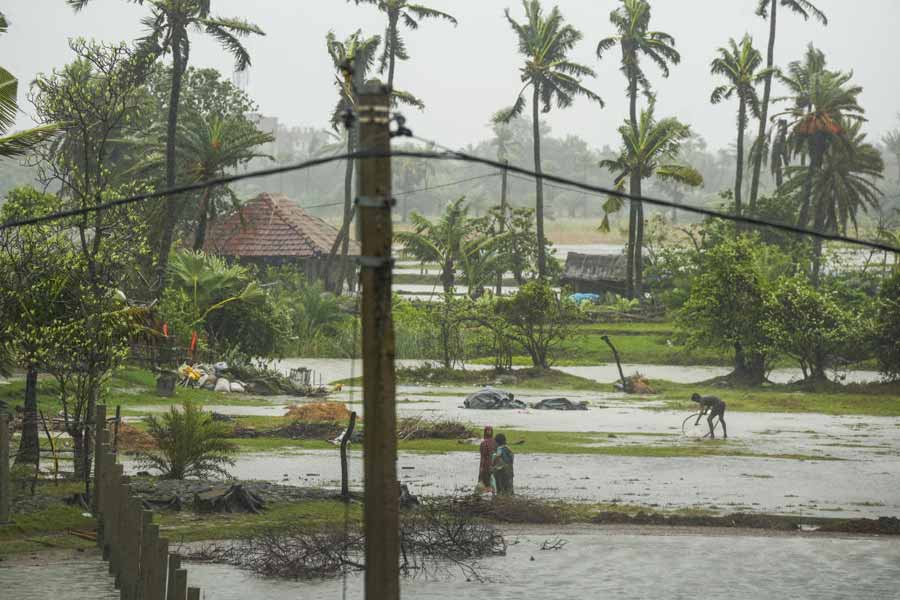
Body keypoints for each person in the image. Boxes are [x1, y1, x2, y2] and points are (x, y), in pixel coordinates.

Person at [478, 426, 496, 493]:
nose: (489, 432)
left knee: (486, 481)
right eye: (487, 430)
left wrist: (481, 467)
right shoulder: (494, 442)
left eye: (489, 430)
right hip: (493, 464)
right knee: (491, 481)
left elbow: (482, 457)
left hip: (486, 464)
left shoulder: (484, 443)